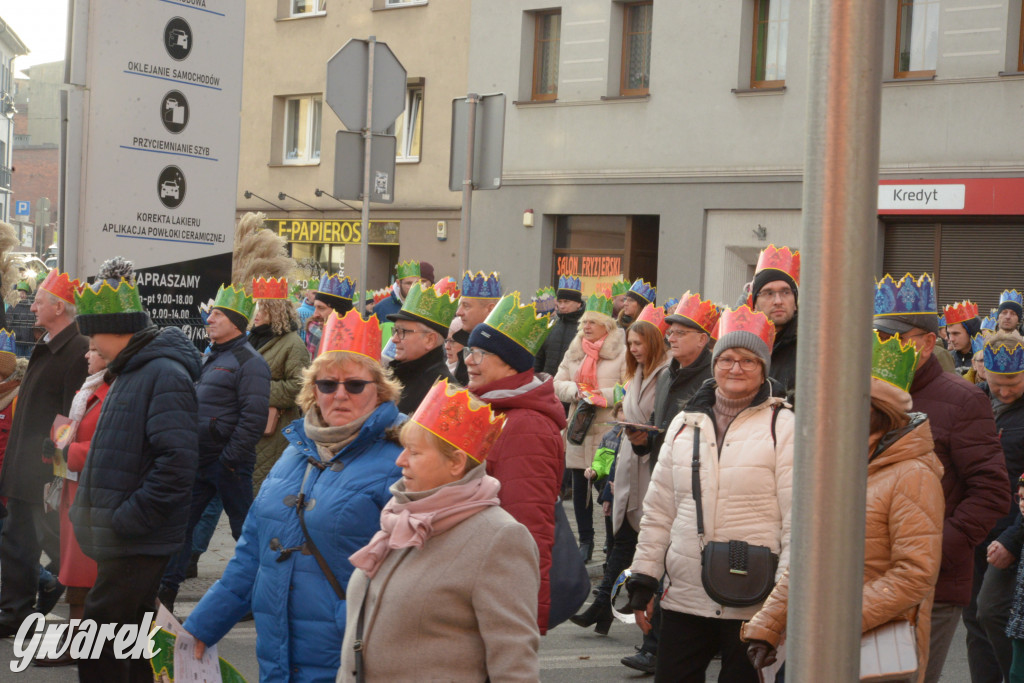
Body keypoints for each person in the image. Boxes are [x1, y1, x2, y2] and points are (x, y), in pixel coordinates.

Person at [183, 310, 404, 683]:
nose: (339, 394)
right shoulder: (296, 452)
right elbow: (253, 551)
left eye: (355, 385)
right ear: (312, 389)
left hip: (351, 659)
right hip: (278, 659)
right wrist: (204, 624)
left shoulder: (400, 460)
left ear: (380, 389)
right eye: (327, 384)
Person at [743, 330, 944, 683]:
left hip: (872, 649)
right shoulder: (837, 468)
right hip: (819, 640)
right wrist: (768, 625)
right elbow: (808, 559)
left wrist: (835, 621)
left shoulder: (912, 474)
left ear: (877, 411)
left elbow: (915, 574)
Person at [626, 304, 794, 683]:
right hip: (686, 593)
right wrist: (644, 578)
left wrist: (783, 605)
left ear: (764, 369)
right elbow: (659, 510)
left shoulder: (783, 426)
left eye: (748, 361)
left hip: (755, 597)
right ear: (714, 362)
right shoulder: (684, 425)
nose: (736, 368)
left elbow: (796, 522)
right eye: (728, 359)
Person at [340, 381, 540, 681]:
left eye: (414, 452)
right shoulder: (402, 516)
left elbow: (514, 664)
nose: (400, 461)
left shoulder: (499, 537)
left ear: (456, 463)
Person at [69, 258, 202, 681]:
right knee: (128, 640)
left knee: (102, 637)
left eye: (94, 334)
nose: (91, 344)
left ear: (118, 329)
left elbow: (176, 464)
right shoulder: (132, 370)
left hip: (137, 536)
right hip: (126, 535)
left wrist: (126, 520)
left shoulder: (163, 373)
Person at [873, 273, 1009, 683]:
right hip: (867, 576)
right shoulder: (863, 392)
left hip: (929, 586)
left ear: (929, 343)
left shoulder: (963, 400)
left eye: (898, 337)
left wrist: (932, 549)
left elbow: (991, 492)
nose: (885, 347)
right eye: (879, 337)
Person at [158, 283, 271, 613]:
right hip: (200, 460)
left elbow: (253, 417)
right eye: (211, 314)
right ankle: (165, 594)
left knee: (245, 533)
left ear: (236, 322)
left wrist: (229, 459)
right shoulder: (212, 355)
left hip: (229, 464)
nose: (210, 318)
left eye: (218, 314)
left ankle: (255, 596)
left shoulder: (249, 362)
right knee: (182, 526)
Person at [464, 292, 566, 634]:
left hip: (498, 599)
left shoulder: (527, 425)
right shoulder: (488, 408)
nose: (469, 360)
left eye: (480, 353)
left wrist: (526, 618)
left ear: (510, 363)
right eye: (469, 351)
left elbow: (529, 527)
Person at [571, 304, 671, 637]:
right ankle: (603, 606)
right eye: (631, 344)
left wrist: (646, 433)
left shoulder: (666, 375)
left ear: (655, 343)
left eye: (639, 344)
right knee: (622, 543)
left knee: (639, 547)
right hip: (627, 466)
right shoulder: (637, 372)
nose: (634, 349)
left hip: (651, 468)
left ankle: (629, 617)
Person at [0, 269, 89, 637]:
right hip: (25, 464)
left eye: (39, 300)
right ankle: (16, 610)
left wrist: (52, 464)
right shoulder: (49, 341)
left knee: (52, 541)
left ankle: (75, 598)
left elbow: (71, 413)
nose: (32, 305)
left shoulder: (77, 348)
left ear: (59, 307)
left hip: (42, 468)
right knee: (19, 541)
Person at [35, 337, 109, 667]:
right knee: (76, 572)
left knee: (86, 573)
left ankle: (83, 644)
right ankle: (79, 640)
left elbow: (109, 445)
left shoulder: (113, 391)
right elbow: (73, 430)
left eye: (94, 350)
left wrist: (70, 453)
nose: (87, 355)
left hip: (93, 493)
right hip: (74, 489)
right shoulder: (89, 387)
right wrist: (53, 448)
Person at [962, 331, 1024, 682]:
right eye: (998, 382)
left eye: (1013, 382)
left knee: (993, 611)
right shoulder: (974, 402)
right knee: (973, 619)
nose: (1004, 390)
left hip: (1014, 533)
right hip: (975, 529)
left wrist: (1014, 538)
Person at [554, 293, 627, 563]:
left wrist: (602, 396)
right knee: (579, 487)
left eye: (592, 322)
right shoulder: (575, 351)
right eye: (584, 322)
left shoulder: (621, 353)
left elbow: (629, 388)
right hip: (579, 428)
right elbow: (556, 382)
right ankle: (585, 542)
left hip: (606, 429)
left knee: (604, 490)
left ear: (606, 326)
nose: (585, 327)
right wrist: (575, 391)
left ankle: (611, 543)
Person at [249, 277, 312, 492]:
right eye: (256, 307)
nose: (256, 314)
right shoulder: (252, 338)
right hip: (249, 426)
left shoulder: (293, 344)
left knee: (262, 490)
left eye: (262, 309)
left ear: (275, 311)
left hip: (274, 431)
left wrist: (254, 390)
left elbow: (299, 386)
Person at [385, 281, 457, 414]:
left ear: (429, 340)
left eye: (402, 332)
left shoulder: (444, 392)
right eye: (395, 331)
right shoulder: (393, 373)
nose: (394, 339)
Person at [748, 244, 800, 399]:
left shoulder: (811, 348)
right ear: (754, 304)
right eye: (768, 293)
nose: (778, 301)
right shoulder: (745, 347)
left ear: (795, 301)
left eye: (785, 292)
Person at [535, 276, 587, 408]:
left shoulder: (586, 328)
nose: (562, 306)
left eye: (567, 301)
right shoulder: (551, 325)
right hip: (547, 392)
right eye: (560, 301)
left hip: (572, 395)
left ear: (578, 303)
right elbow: (538, 360)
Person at [944, 300, 981, 372]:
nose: (951, 339)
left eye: (956, 333)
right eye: (949, 333)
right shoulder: (947, 359)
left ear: (971, 333)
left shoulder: (984, 360)